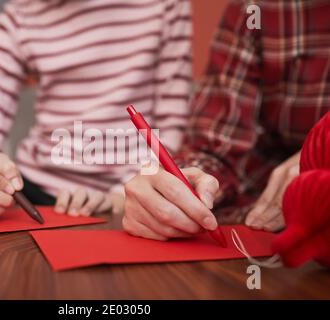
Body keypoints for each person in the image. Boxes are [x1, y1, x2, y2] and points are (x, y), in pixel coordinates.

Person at [0, 0, 192, 222]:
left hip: (133, 195)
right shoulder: (17, 16)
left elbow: (170, 132)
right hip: (32, 194)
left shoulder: (164, 5)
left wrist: (124, 193)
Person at [123, 0, 330, 240]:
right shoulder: (256, 8)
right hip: (264, 230)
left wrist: (321, 157)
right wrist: (180, 189)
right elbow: (214, 151)